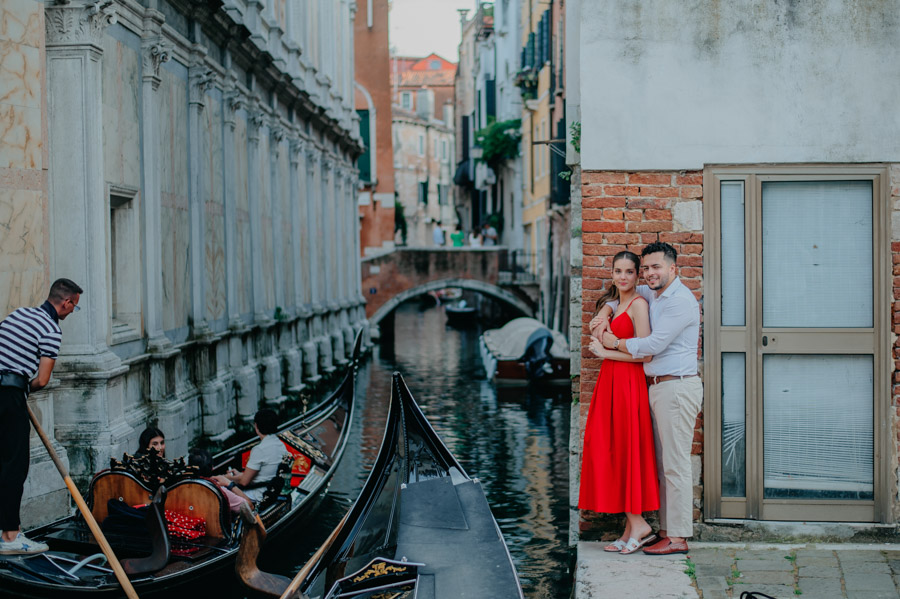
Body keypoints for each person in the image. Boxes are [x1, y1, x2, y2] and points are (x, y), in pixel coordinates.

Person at [592, 241, 702, 555]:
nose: (651, 273)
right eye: (648, 268)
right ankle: (663, 530)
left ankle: (678, 537)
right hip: (656, 387)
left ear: (673, 268)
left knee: (675, 464)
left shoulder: (680, 301)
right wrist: (605, 310)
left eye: (657, 267)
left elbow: (652, 344)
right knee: (661, 464)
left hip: (677, 387)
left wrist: (611, 342)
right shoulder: (653, 293)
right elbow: (621, 298)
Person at [579, 251, 659, 555]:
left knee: (625, 449)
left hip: (627, 383)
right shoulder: (613, 304)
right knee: (604, 446)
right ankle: (630, 529)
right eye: (617, 271)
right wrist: (605, 317)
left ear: (637, 275)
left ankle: (638, 523)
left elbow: (646, 354)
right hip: (609, 381)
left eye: (628, 272)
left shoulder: (639, 305)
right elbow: (595, 332)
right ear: (611, 274)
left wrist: (606, 352)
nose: (622, 277)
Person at [0, 278, 82, 555]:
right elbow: (43, 380)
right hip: (10, 395)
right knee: (14, 464)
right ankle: (10, 537)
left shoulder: (19, 313)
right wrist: (23, 388)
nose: (72, 313)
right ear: (66, 302)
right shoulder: (51, 329)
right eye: (74, 307)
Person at [215, 409, 286, 504]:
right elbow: (262, 475)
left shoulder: (260, 449)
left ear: (256, 426)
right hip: (271, 491)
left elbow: (244, 482)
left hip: (257, 494)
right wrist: (238, 475)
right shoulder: (281, 445)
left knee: (218, 491)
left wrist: (227, 478)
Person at [189, 448, 250, 513]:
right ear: (212, 468)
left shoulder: (183, 487)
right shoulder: (220, 491)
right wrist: (229, 484)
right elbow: (249, 507)